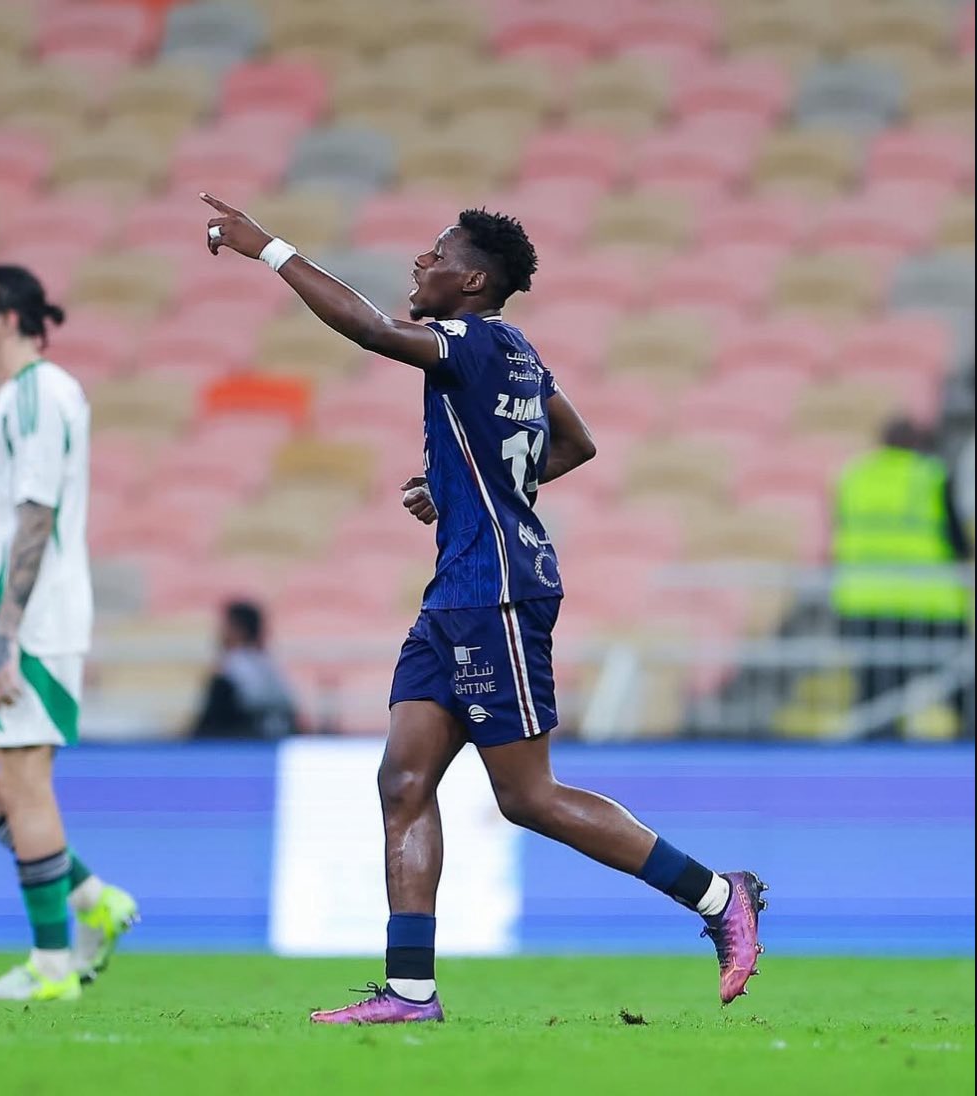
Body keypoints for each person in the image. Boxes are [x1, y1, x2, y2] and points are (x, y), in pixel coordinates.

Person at [201, 193, 767, 1024]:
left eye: (436, 254)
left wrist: (269, 249)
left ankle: (718, 895)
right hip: (457, 593)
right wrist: (470, 484)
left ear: (471, 281)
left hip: (497, 591)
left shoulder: (466, 342)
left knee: (527, 796)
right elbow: (576, 442)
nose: (420, 262)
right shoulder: (519, 355)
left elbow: (370, 330)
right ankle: (410, 992)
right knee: (403, 780)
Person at [0, 265, 137, 1002]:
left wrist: (6, 638)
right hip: (4, 619)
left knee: (23, 778)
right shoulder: (14, 397)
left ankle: (52, 965)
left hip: (33, 623)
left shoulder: (41, 394)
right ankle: (92, 899)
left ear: (10, 318)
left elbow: (36, 516)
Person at [831, 416, 972, 731]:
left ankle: (877, 755)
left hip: (864, 603)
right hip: (929, 605)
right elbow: (959, 543)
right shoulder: (931, 476)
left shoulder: (854, 476)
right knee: (961, 687)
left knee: (876, 698)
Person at [191, 600, 298, 739]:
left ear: (239, 630)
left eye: (226, 626)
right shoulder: (270, 666)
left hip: (241, 742)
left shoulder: (231, 670)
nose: (220, 633)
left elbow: (210, 725)